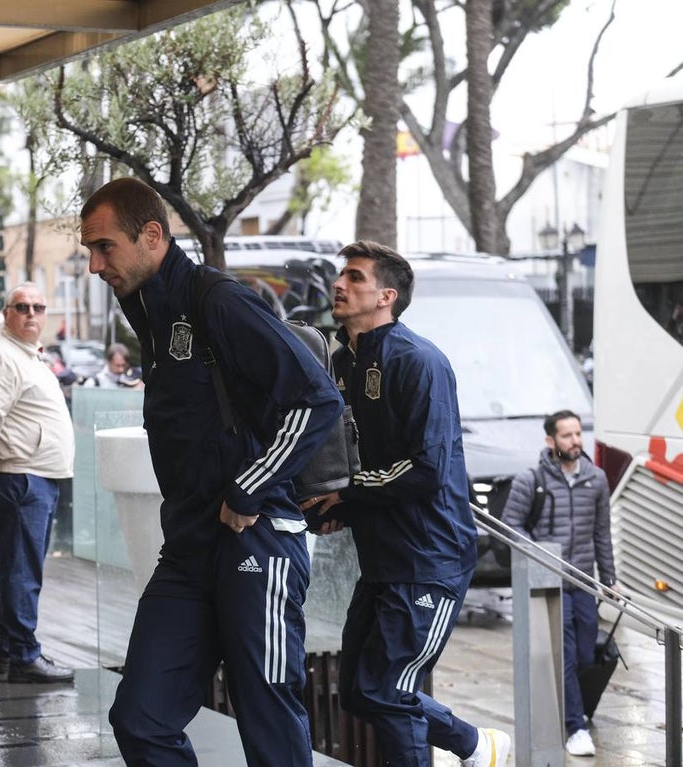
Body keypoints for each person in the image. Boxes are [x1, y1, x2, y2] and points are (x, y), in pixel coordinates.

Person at [80, 178, 343, 767]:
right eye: (89, 251)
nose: (95, 265)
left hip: (257, 539)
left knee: (267, 716)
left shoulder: (217, 300)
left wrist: (249, 487)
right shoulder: (147, 308)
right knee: (141, 717)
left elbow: (318, 399)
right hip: (189, 546)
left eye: (104, 248)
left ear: (151, 235)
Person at [302, 240, 511, 767]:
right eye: (339, 275)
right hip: (381, 559)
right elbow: (357, 458)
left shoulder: (419, 362)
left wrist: (347, 494)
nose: (339, 284)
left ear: (386, 296)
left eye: (354, 277)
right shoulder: (342, 362)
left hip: (428, 559)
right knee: (357, 690)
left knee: (388, 692)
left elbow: (426, 468)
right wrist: (339, 510)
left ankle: (473, 746)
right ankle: (475, 745)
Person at [0, 283, 76, 684]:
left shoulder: (23, 354)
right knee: (22, 572)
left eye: (38, 307)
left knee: (16, 569)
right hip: (22, 477)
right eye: (22, 306)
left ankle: (11, 652)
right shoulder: (2, 357)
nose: (31, 313)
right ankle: (23, 654)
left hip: (33, 474)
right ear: (6, 313)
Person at [501, 409, 615, 758]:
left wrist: (609, 578)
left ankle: (574, 706)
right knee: (563, 655)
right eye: (567, 435)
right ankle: (575, 726)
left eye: (578, 434)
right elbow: (510, 525)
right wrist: (542, 556)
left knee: (583, 653)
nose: (576, 441)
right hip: (550, 585)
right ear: (551, 441)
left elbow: (601, 532)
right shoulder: (531, 479)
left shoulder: (595, 480)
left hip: (582, 580)